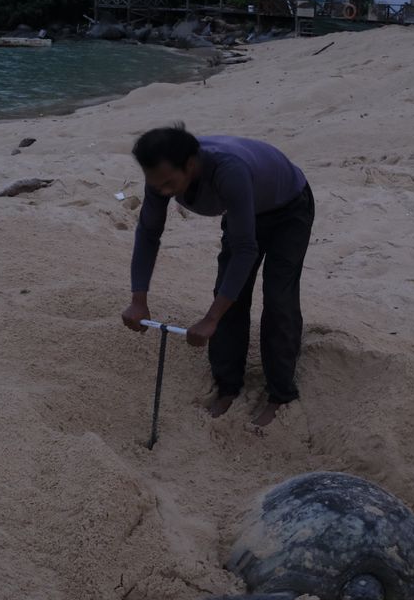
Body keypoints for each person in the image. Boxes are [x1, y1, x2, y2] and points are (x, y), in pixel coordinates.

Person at [122, 125, 314, 427]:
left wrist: (210, 318)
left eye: (170, 183)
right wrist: (138, 299)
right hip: (243, 210)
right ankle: (228, 386)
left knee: (279, 298)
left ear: (190, 165)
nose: (163, 191)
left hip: (288, 207)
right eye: (156, 184)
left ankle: (280, 393)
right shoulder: (160, 179)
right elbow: (148, 233)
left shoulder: (228, 171)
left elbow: (245, 249)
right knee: (228, 296)